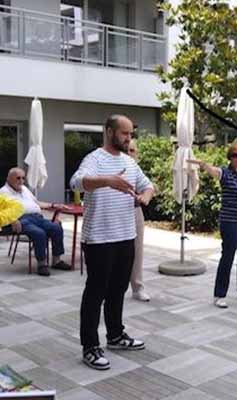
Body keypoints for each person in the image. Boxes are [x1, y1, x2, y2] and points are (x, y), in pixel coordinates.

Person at [70, 115, 154, 370]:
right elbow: (76, 182)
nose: (129, 138)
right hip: (99, 238)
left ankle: (115, 336)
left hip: (126, 236)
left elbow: (148, 185)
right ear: (109, 132)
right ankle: (90, 347)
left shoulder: (129, 162)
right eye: (124, 133)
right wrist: (108, 181)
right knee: (95, 293)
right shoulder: (94, 159)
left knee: (118, 290)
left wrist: (146, 196)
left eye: (130, 134)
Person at [187, 142, 237, 309]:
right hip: (231, 222)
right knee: (228, 257)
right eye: (234, 155)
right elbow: (214, 171)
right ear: (230, 158)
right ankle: (219, 294)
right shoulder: (225, 173)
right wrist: (204, 166)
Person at [0, 168, 72, 276]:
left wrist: (53, 205)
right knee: (39, 233)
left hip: (37, 217)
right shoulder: (3, 192)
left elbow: (37, 203)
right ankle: (42, 264)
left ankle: (56, 261)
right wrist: (13, 220)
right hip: (22, 219)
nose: (21, 181)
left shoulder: (24, 189)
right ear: (9, 178)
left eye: (23, 178)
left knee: (56, 228)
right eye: (18, 178)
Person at [127, 139, 150, 302]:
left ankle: (137, 287)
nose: (129, 153)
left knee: (137, 250)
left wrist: (145, 195)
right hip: (115, 212)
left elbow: (149, 188)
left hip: (135, 210)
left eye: (132, 150)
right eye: (127, 150)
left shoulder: (136, 169)